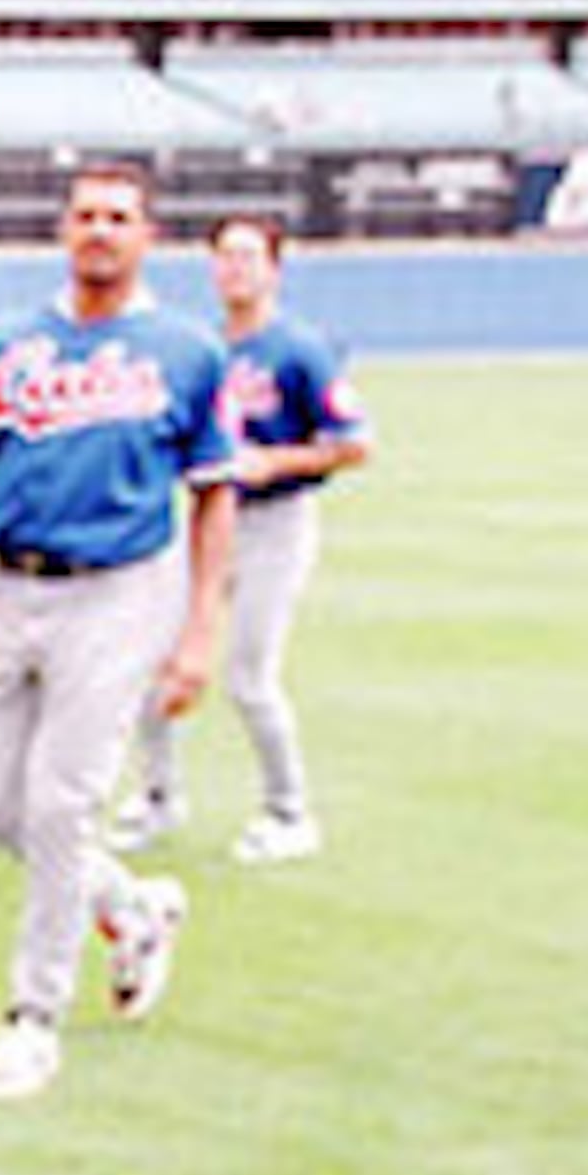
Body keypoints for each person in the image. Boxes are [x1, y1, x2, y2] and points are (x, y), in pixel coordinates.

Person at [0, 161, 237, 1105]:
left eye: (119, 217)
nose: (100, 230)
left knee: (63, 806)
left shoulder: (184, 350)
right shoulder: (13, 344)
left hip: (119, 591)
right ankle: (133, 909)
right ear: (63, 231)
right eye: (86, 215)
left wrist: (197, 634)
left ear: (147, 236)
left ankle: (34, 1017)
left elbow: (214, 494)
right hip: (17, 587)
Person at [109, 212, 370, 862]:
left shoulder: (298, 348)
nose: (235, 268)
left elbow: (354, 443)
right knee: (153, 660)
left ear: (274, 268)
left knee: (249, 677)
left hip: (274, 524)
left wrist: (274, 462)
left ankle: (290, 812)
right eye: (225, 256)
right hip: (205, 518)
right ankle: (159, 798)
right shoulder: (203, 347)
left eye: (249, 256)